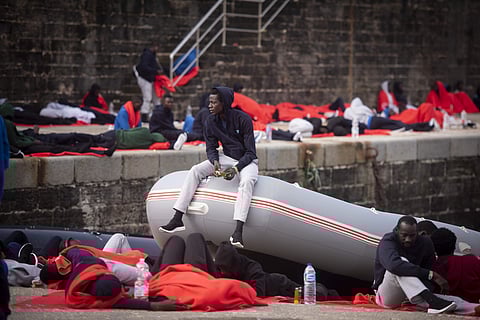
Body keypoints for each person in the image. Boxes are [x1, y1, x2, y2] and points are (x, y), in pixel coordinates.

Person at [159, 86, 259, 249]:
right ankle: (177, 217)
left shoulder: (244, 119)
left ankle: (238, 231)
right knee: (195, 170)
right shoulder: (210, 121)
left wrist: (236, 169)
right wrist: (215, 162)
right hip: (225, 157)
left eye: (213, 102)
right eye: (209, 102)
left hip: (246, 161)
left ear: (224, 103)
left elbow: (250, 152)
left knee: (246, 182)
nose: (210, 106)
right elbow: (211, 147)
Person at [373, 215, 480, 315]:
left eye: (412, 235)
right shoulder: (388, 241)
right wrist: (431, 274)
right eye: (404, 235)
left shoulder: (426, 243)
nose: (408, 239)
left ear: (418, 233)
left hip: (415, 293)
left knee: (454, 301)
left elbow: (429, 269)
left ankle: (473, 308)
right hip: (387, 295)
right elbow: (394, 266)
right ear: (397, 231)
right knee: (401, 263)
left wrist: (428, 283)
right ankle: (432, 301)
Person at [214, 241, 338, 299]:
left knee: (310, 295)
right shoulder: (222, 270)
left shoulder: (252, 268)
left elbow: (258, 294)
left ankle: (324, 289)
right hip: (273, 286)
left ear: (233, 264)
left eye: (225, 268)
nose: (223, 272)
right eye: (221, 268)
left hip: (280, 285)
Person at [430, 227, 480, 303]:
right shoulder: (473, 261)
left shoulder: (430, 269)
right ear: (454, 246)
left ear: (433, 248)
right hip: (475, 309)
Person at [133, 45, 164, 122]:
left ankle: (158, 115)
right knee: (147, 98)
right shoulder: (147, 55)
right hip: (145, 78)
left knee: (156, 97)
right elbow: (144, 67)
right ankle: (144, 115)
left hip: (151, 79)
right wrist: (155, 71)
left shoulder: (152, 55)